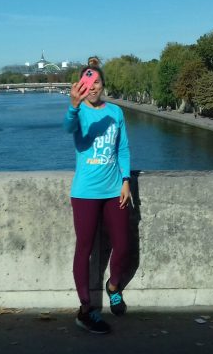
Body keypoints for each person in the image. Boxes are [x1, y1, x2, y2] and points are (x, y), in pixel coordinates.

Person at [63, 56, 131, 334]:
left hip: (114, 189)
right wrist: (73, 105)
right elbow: (67, 127)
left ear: (103, 84)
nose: (92, 88)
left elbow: (122, 149)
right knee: (85, 249)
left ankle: (113, 286)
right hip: (85, 193)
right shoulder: (78, 112)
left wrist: (126, 180)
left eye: (96, 82)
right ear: (81, 86)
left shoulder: (116, 112)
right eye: (87, 83)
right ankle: (85, 309)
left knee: (123, 245)